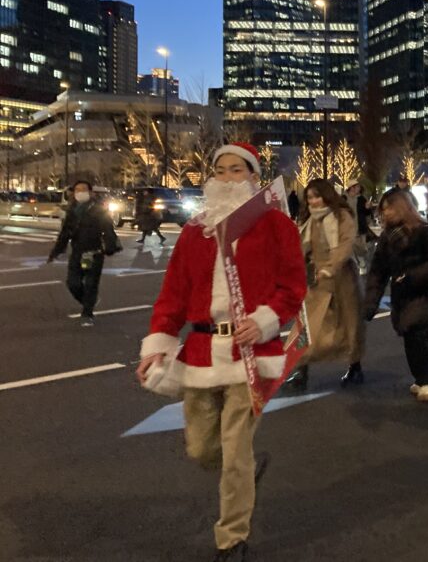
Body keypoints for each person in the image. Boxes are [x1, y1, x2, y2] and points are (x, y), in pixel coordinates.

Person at [135, 143, 306, 561]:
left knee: (233, 451)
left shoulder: (274, 225)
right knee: (201, 449)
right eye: (221, 170)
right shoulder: (196, 230)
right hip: (200, 351)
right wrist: (158, 343)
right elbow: (173, 294)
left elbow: (292, 286)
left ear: (252, 177)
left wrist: (265, 319)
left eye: (237, 170)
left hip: (250, 352)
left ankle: (232, 536)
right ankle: (245, 468)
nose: (227, 178)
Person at [364, 189, 428, 401]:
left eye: (389, 208)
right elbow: (377, 272)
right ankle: (421, 377)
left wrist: (410, 277)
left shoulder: (426, 232)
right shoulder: (387, 237)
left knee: (416, 329)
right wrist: (370, 303)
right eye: (383, 210)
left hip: (426, 291)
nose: (386, 213)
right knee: (410, 334)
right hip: (402, 294)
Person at [293, 178, 365, 389]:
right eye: (309, 198)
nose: (313, 201)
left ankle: (355, 367)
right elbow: (300, 249)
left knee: (351, 324)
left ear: (328, 195)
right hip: (317, 280)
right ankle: (301, 369)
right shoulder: (309, 222)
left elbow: (345, 244)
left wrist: (331, 266)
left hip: (344, 278)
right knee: (308, 326)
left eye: (317, 196)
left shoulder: (342, 216)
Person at [48, 180, 121, 326]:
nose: (80, 192)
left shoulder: (98, 210)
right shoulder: (72, 212)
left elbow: (108, 230)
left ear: (91, 192)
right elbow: (65, 233)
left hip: (94, 252)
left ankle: (87, 312)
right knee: (72, 283)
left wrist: (110, 246)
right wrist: (56, 251)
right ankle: (89, 301)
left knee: (91, 283)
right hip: (77, 252)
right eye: (77, 190)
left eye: (83, 189)